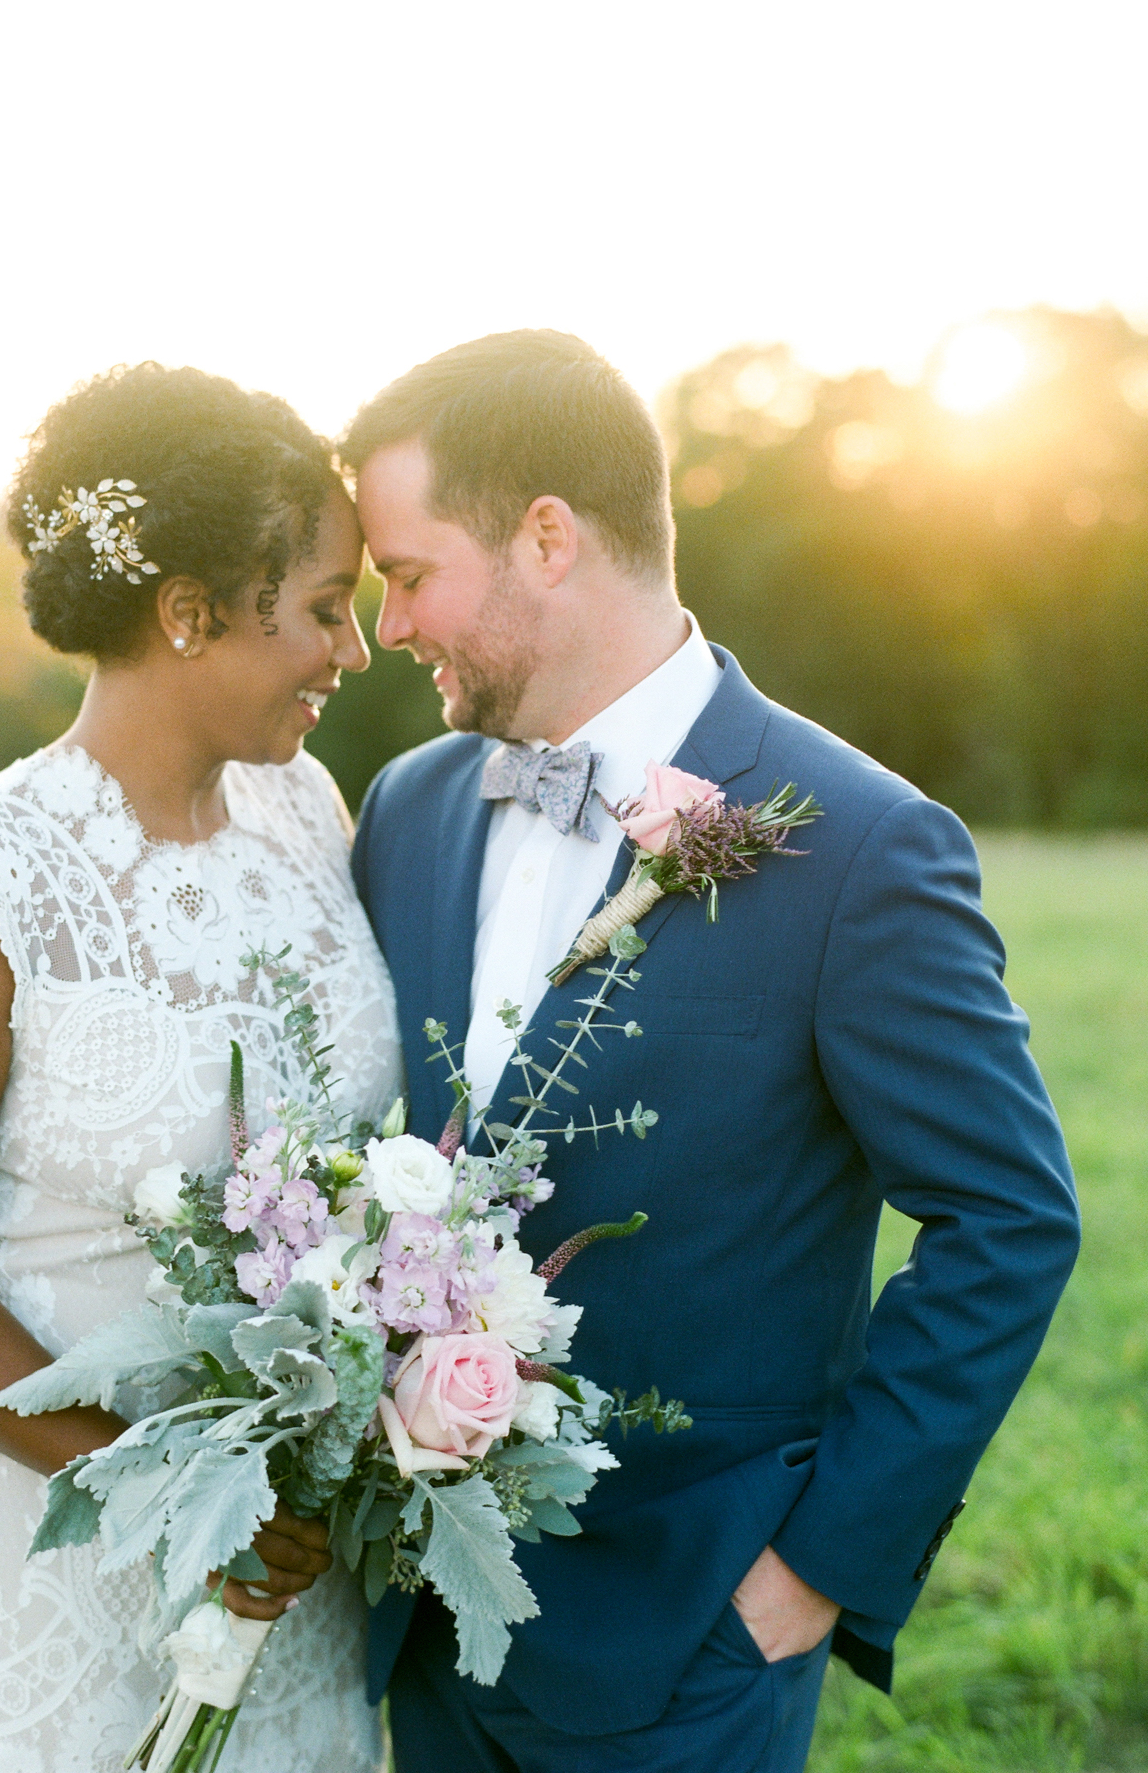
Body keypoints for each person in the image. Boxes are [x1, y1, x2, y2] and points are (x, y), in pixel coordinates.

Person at [343, 329, 1080, 1773]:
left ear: (546, 538)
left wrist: (810, 1573)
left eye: (410, 573)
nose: (391, 625)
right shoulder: (410, 805)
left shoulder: (858, 847)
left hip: (690, 1649)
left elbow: (1009, 1218)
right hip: (419, 1622)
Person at [0, 362, 397, 1773]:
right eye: (327, 608)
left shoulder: (304, 812)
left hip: (292, 1575)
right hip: (59, 1556)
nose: (357, 650)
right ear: (192, 611)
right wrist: (177, 1493)